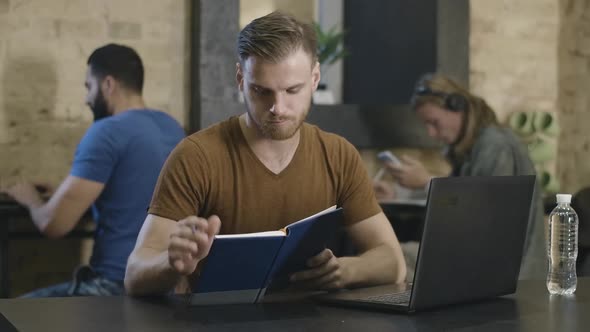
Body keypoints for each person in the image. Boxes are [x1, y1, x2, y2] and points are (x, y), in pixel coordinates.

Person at [124, 11, 407, 296]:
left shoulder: (338, 155)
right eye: (262, 91)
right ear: (240, 79)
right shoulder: (196, 156)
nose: (278, 108)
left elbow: (393, 262)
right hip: (213, 322)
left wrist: (344, 271)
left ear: (314, 78)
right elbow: (135, 274)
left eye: (292, 90)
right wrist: (171, 264)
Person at [0, 44, 185, 297]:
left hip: (116, 286)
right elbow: (134, 194)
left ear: (108, 84)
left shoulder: (107, 131)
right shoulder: (172, 128)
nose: (87, 98)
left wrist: (30, 199)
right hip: (166, 285)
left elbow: (53, 225)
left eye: (89, 87)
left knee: (8, 314)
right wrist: (68, 193)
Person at [375, 73, 545, 279]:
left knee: (392, 260)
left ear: (458, 107)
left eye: (434, 122)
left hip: (504, 273)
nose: (431, 133)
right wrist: (398, 192)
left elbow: (482, 210)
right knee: (390, 256)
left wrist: (428, 182)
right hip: (477, 259)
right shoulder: (475, 147)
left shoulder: (495, 146)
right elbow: (459, 192)